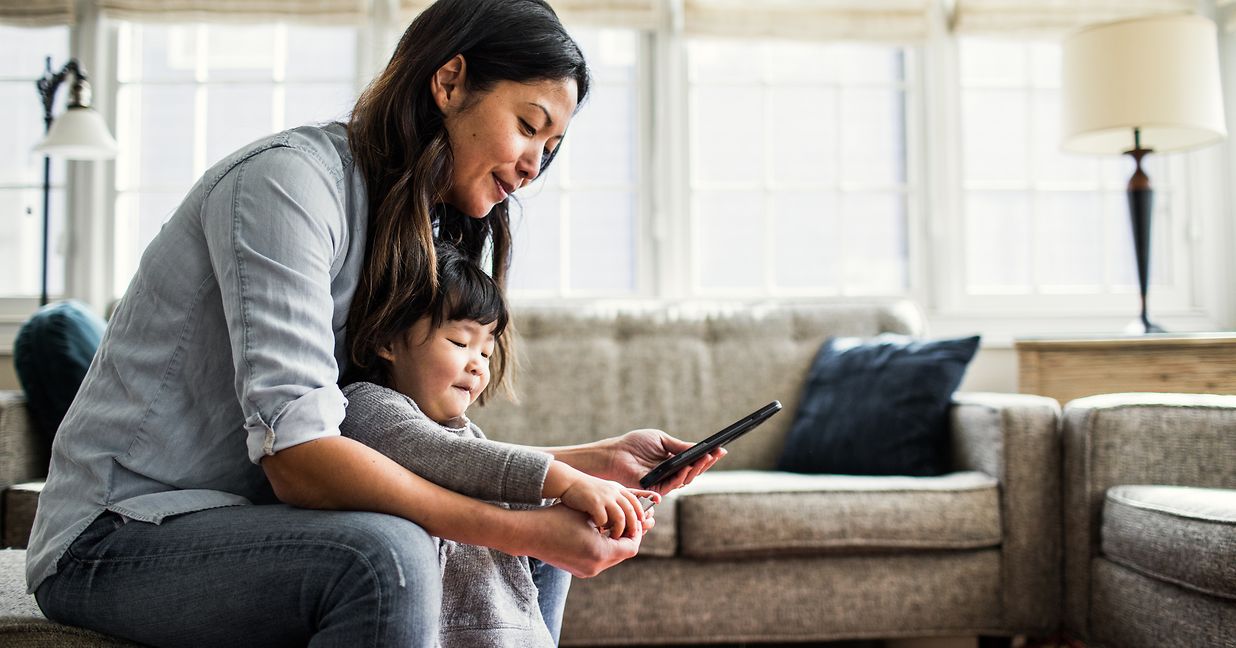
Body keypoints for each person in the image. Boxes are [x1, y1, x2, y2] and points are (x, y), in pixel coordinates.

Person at [24, 1, 723, 646]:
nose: (535, 165)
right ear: (449, 82)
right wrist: (523, 529)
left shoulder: (410, 227)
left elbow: (395, 436)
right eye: (529, 126)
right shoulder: (287, 186)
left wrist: (586, 465)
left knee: (535, 541)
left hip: (247, 515)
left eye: (552, 145)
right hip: (118, 534)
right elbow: (299, 459)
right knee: (387, 554)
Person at [340, 241, 660, 646]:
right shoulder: (366, 406)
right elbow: (450, 458)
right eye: (460, 342)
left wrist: (608, 508)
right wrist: (569, 480)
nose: (477, 364)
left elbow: (492, 475)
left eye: (487, 351)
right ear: (387, 341)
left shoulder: (466, 431)